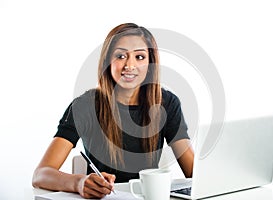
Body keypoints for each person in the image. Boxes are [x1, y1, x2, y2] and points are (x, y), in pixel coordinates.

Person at [32, 23, 194, 199]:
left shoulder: (167, 103)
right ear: (107, 60)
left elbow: (193, 172)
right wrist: (78, 182)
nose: (130, 65)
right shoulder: (85, 105)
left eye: (139, 57)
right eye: (121, 56)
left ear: (150, 63)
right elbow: (41, 174)